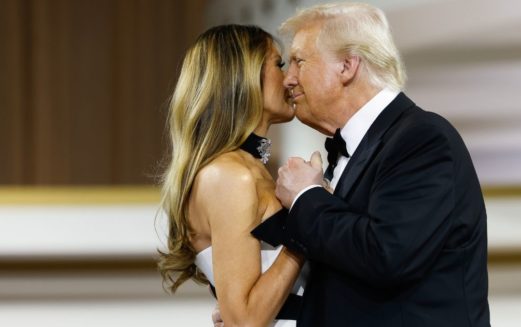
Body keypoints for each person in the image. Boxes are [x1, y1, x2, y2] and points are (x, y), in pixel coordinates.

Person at [251, 3, 490, 326]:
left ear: (347, 66)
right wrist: (260, 315)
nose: (288, 79)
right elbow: (346, 284)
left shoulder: (423, 139)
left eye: (298, 61)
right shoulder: (366, 146)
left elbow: (387, 254)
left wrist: (306, 197)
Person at [158, 24, 307, 327]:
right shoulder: (228, 176)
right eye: (278, 64)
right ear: (243, 75)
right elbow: (244, 321)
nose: (291, 77)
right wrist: (308, 230)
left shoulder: (248, 170)